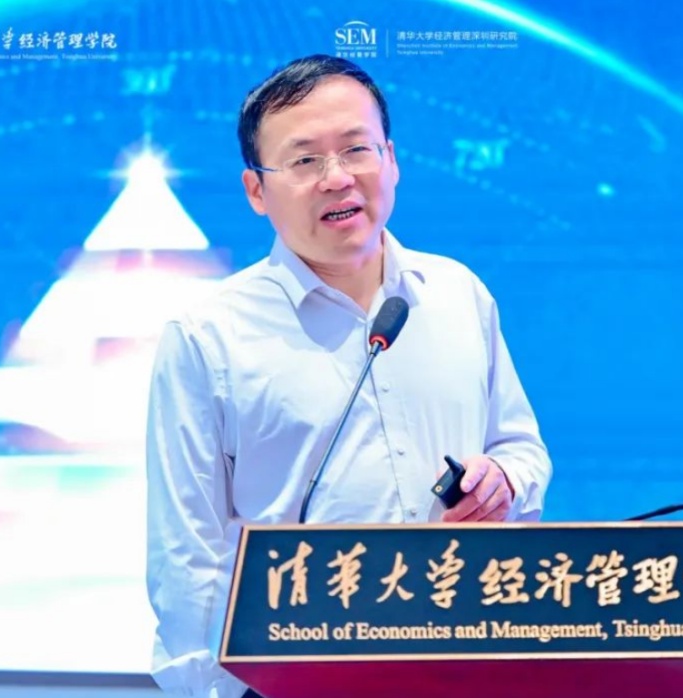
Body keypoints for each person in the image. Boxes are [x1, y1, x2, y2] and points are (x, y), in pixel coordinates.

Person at [144, 54, 552, 697]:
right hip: (293, 680)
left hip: (464, 661)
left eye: (357, 149)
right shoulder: (209, 336)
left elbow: (521, 449)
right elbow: (186, 549)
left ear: (391, 160)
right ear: (256, 190)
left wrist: (504, 482)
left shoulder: (457, 294)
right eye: (305, 160)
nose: (337, 178)